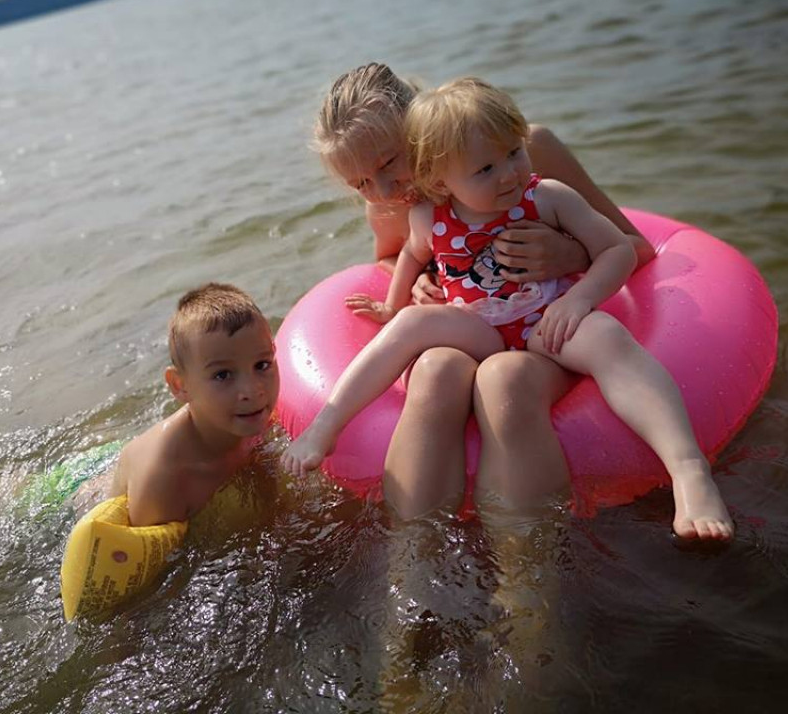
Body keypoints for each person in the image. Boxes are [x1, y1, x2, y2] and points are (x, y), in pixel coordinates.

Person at [286, 76, 733, 541]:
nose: (382, 190)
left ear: (419, 132)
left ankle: (682, 473)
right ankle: (414, 551)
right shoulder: (397, 206)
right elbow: (398, 254)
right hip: (473, 322)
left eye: (390, 162)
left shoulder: (525, 160)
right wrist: (419, 282)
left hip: (544, 317)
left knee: (535, 368)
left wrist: (567, 255)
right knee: (435, 370)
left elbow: (631, 247)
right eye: (360, 183)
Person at [86, 283, 280, 526]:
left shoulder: (249, 414)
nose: (253, 391)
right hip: (83, 489)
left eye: (262, 365)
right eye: (223, 375)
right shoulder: (165, 480)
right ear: (179, 385)